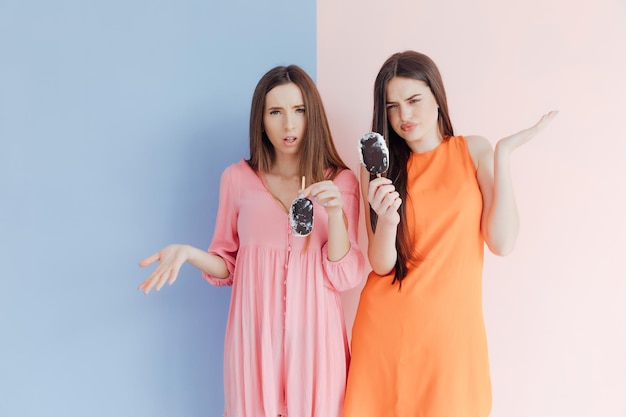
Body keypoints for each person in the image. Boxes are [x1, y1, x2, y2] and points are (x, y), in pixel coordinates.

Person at [138, 65, 364, 417]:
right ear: (261, 120)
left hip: (317, 348)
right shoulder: (237, 180)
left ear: (313, 115)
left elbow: (343, 276)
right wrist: (189, 254)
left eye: (299, 110)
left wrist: (335, 213)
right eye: (276, 112)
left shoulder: (342, 182)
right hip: (254, 346)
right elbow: (229, 264)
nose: (289, 124)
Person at [343, 50, 558, 417]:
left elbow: (502, 242)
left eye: (413, 100)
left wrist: (502, 155)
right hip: (388, 331)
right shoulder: (378, 169)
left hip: (453, 335)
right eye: (392, 106)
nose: (404, 116)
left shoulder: (474, 150)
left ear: (437, 97)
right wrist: (388, 220)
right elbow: (381, 265)